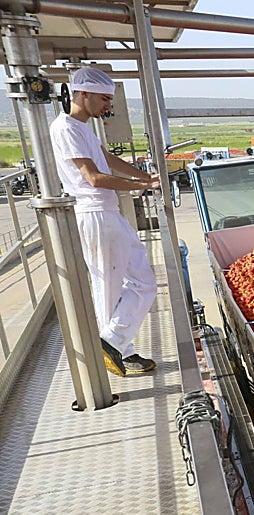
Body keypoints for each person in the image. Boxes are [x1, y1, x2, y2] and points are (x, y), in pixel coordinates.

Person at [49, 66, 160, 377]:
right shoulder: (66, 128)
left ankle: (118, 349)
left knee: (135, 281)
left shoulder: (85, 128)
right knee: (113, 287)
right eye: (103, 99)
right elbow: (94, 177)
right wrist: (141, 187)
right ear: (82, 94)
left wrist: (146, 176)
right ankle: (110, 343)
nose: (108, 106)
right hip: (94, 213)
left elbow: (107, 160)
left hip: (107, 212)